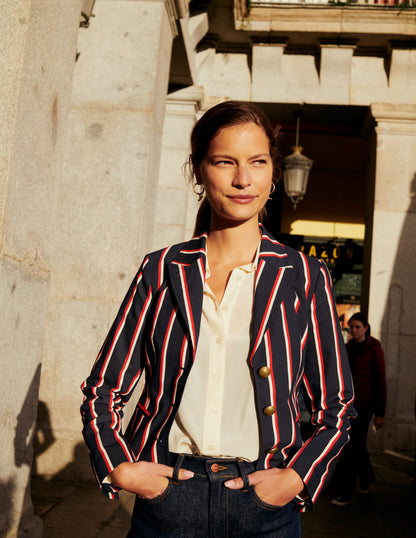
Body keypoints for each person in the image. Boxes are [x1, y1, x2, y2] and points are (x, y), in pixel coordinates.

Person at [81, 100, 355, 537]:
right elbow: (103, 389)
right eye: (225, 162)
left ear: (273, 171)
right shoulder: (161, 269)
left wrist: (298, 477)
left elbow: (335, 405)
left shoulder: (304, 275)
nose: (243, 179)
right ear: (198, 170)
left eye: (258, 162)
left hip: (265, 500)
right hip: (169, 497)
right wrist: (120, 468)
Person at [329, 312, 386, 507]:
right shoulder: (348, 348)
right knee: (357, 446)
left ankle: (345, 491)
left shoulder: (374, 349)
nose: (354, 330)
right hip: (348, 406)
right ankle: (367, 477)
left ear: (366, 328)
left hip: (365, 407)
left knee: (351, 447)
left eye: (357, 327)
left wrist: (380, 413)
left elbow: (380, 382)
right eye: (351, 327)